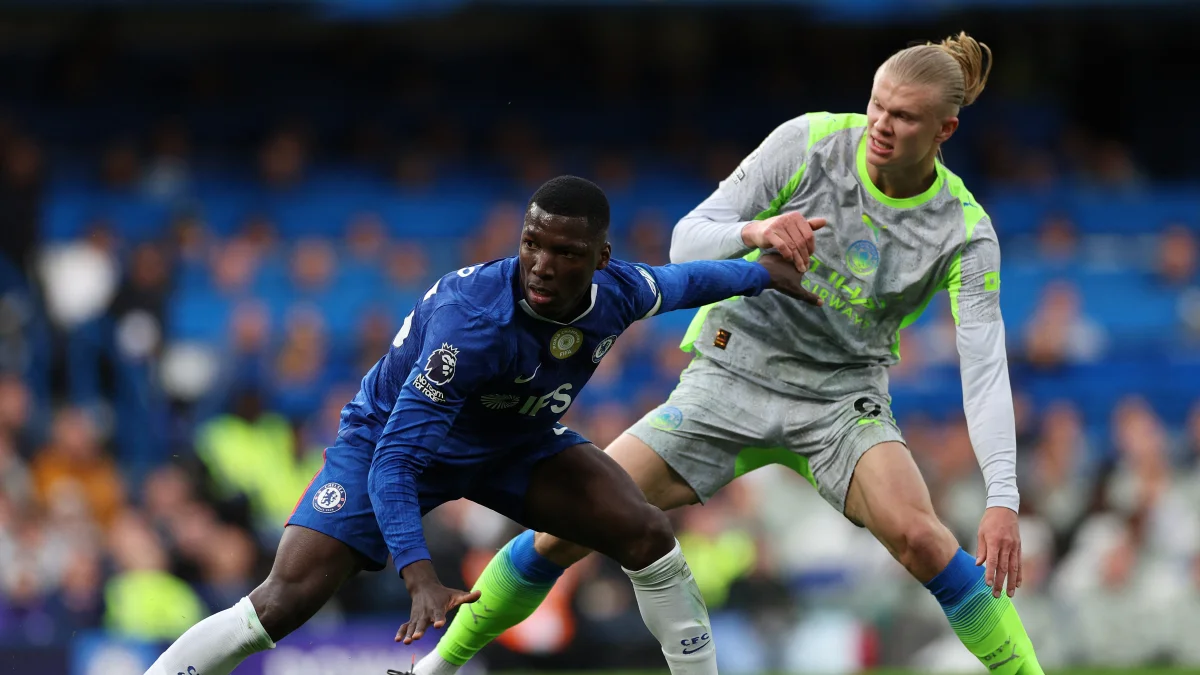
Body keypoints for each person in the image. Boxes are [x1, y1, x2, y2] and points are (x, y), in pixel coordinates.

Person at [419, 32, 1046, 675]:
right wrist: (756, 231)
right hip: (730, 374)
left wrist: (1002, 498)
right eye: (877, 105)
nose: (881, 125)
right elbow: (686, 239)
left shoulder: (964, 231)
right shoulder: (809, 142)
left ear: (945, 129)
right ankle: (437, 666)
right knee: (567, 527)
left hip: (838, 399)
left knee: (923, 539)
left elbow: (985, 366)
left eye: (904, 116)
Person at [143, 175, 821, 675]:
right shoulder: (474, 323)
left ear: (601, 259)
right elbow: (395, 463)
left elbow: (685, 282)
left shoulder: (618, 294)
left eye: (565, 252)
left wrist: (760, 273)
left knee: (644, 531)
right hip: (389, 442)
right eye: (533, 244)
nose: (543, 265)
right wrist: (419, 575)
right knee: (281, 603)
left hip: (512, 442)